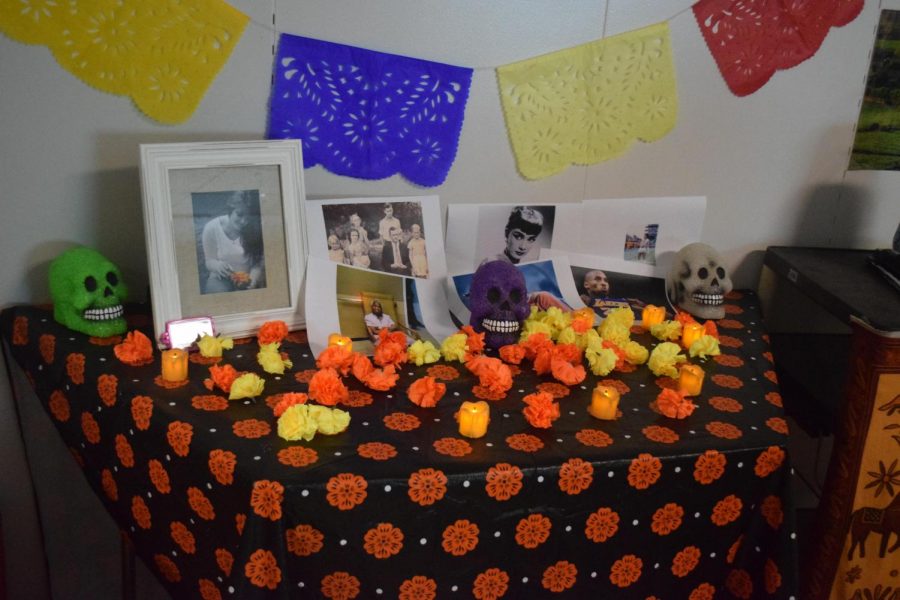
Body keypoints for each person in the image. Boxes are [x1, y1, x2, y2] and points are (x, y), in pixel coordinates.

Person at [201, 191, 265, 294]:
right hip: (221, 276)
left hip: (248, 276)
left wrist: (253, 280)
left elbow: (258, 263)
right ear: (230, 211)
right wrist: (217, 265)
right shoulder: (212, 228)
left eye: (248, 217)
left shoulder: (256, 228)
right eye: (239, 215)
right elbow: (209, 261)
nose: (244, 221)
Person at [579, 269, 644, 316]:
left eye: (606, 280)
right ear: (586, 285)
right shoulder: (582, 300)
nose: (603, 283)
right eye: (597, 279)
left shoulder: (628, 302)